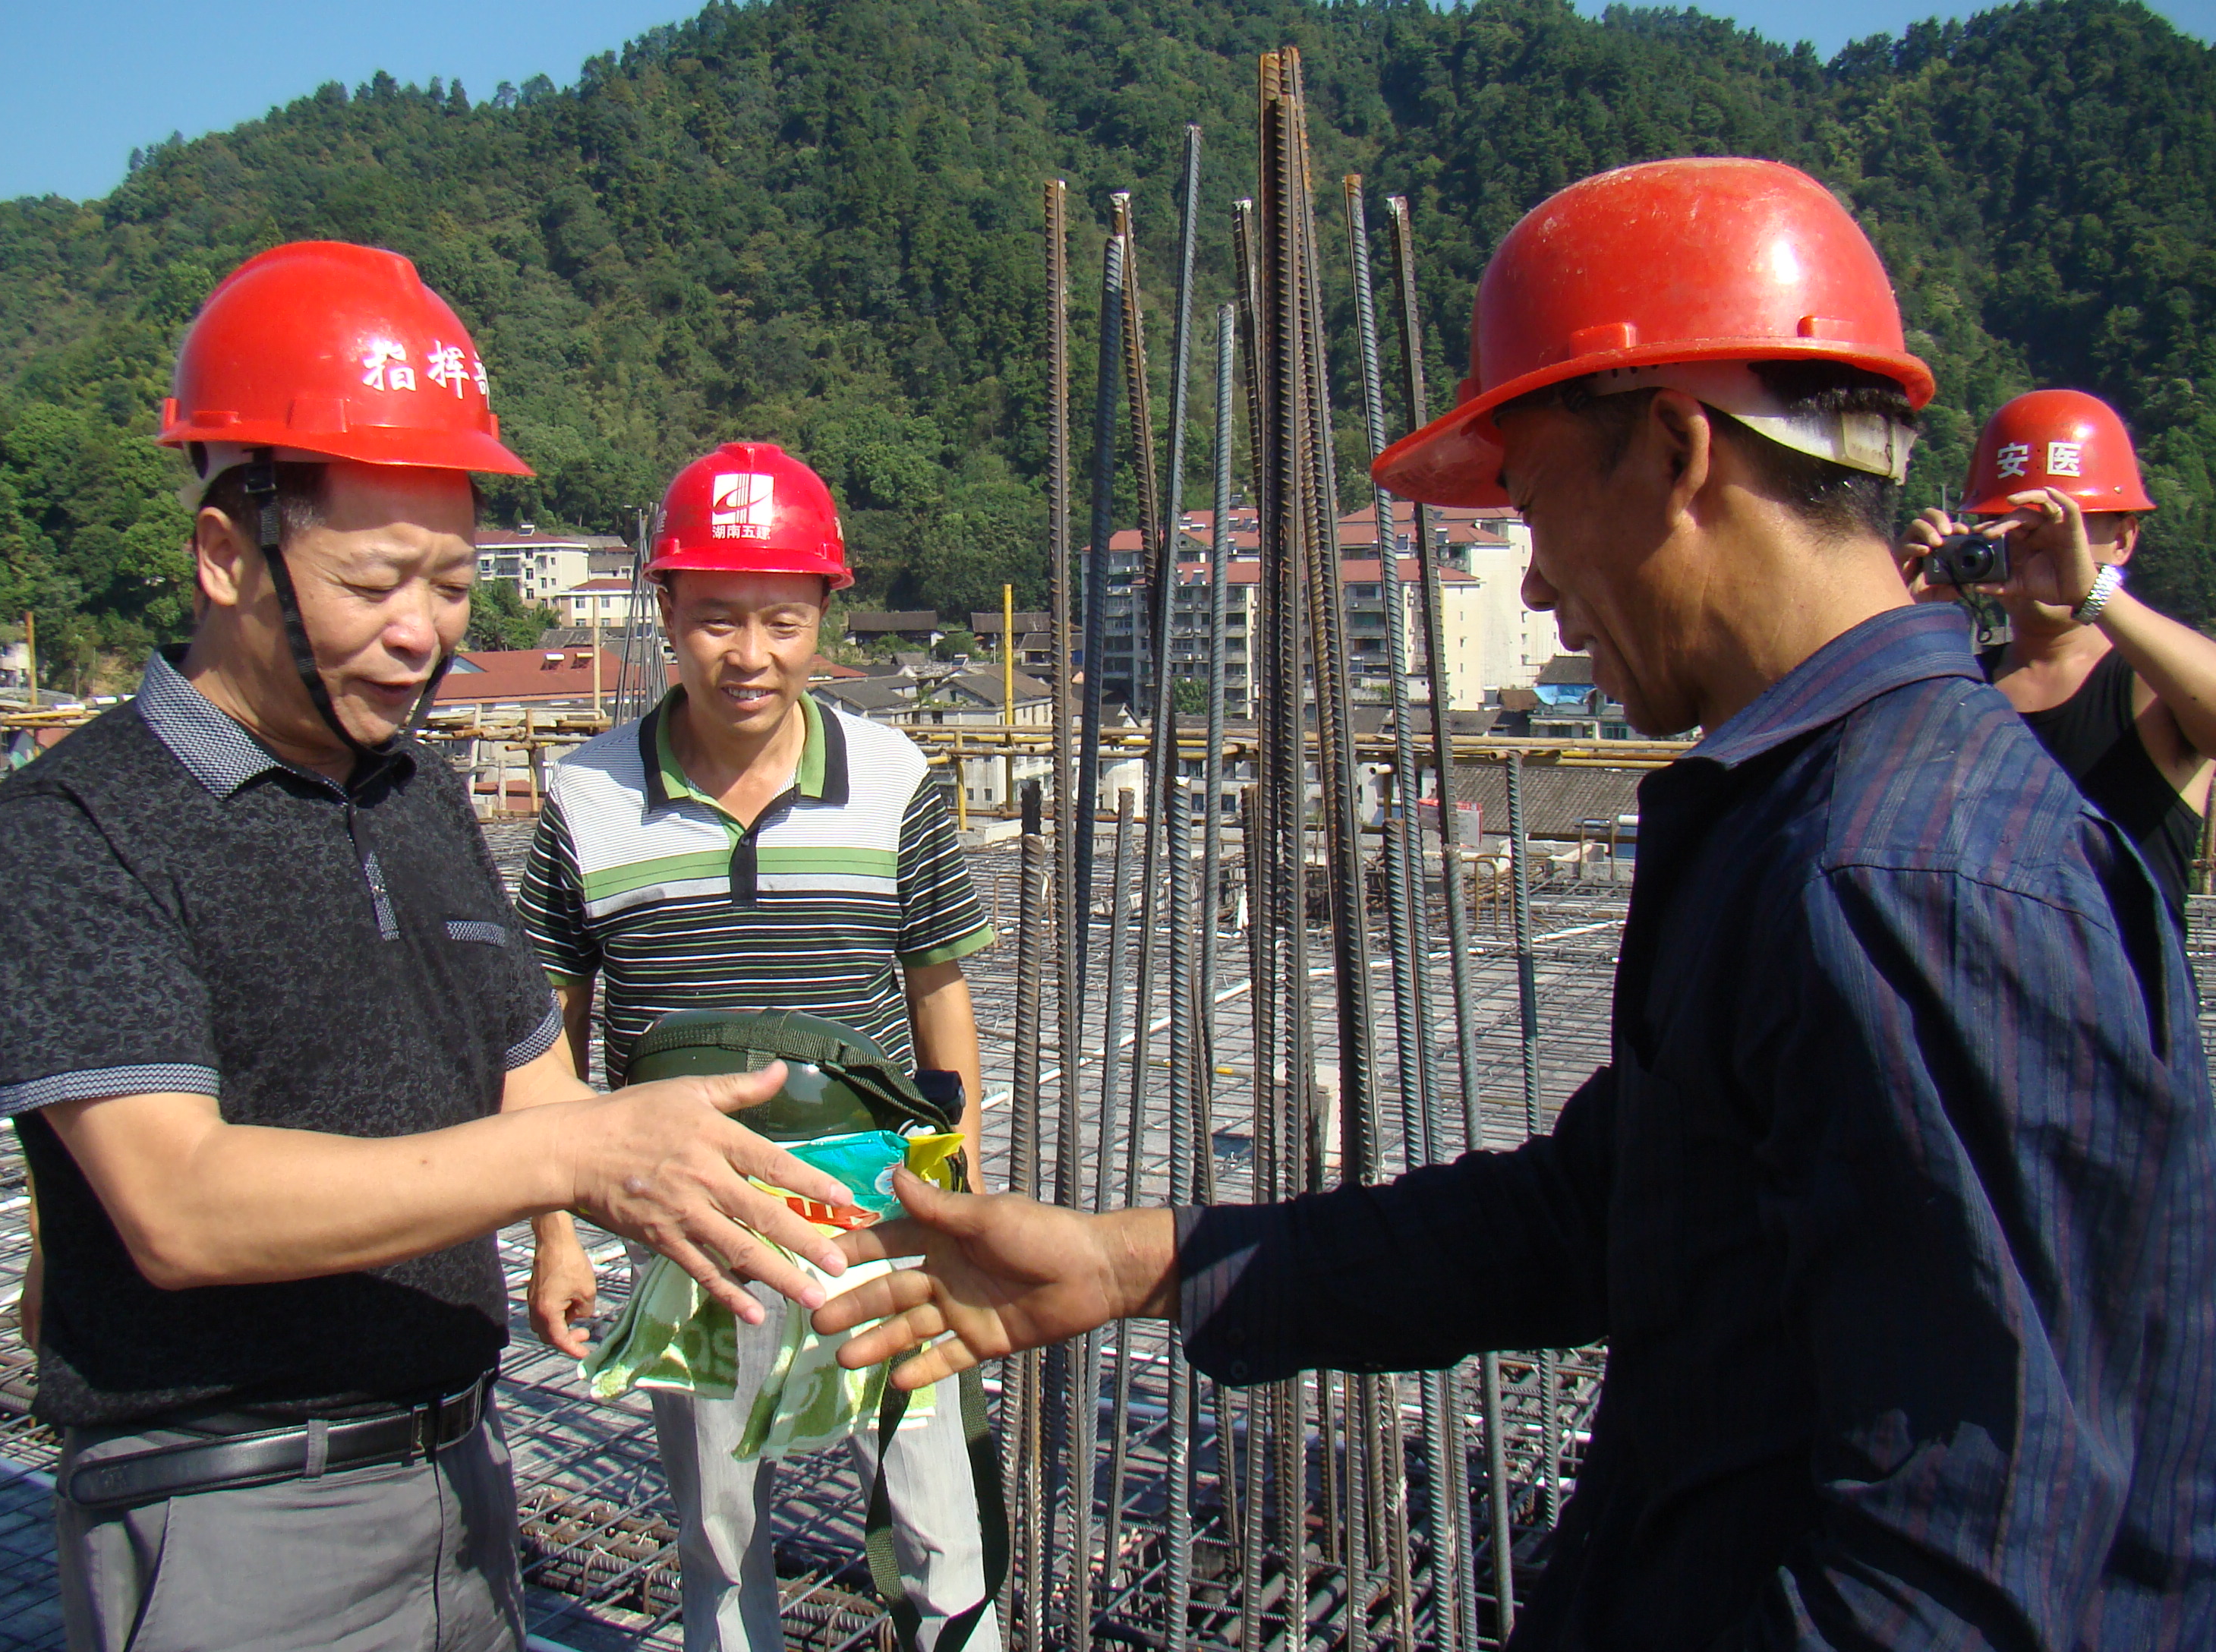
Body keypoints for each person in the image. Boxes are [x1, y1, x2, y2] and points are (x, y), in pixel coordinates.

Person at [812, 159, 2216, 1647]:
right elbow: (1591, 1216)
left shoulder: (1906, 876)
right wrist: (1131, 1259)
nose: (1535, 585)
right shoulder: (1806, 816)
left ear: (1674, 448)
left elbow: (1964, 1577)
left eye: (1534, 503)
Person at [0, 244, 859, 1652]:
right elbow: (178, 1203)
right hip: (233, 1506)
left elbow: (530, 1075)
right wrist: (576, 1161)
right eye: (377, 581)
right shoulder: (80, 825)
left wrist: (752, 1193)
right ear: (225, 555)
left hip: (458, 1475)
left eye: (450, 585)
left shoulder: (417, 795)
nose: (421, 636)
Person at [515, 442, 1001, 1652]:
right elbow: (546, 1034)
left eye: (782, 621)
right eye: (716, 619)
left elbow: (939, 998)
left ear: (824, 617)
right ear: (666, 612)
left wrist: (959, 1193)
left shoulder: (894, 779)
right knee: (720, 1535)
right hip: (691, 1217)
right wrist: (556, 1229)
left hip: (876, 1206)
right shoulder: (583, 798)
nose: (750, 654)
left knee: (938, 1523)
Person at [1899, 389, 2215, 919]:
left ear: (2124, 539)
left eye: (2063, 525)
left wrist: (2091, 593)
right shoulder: (1953, 687)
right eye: (2015, 525)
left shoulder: (2151, 686)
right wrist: (1900, 622)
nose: (2039, 544)